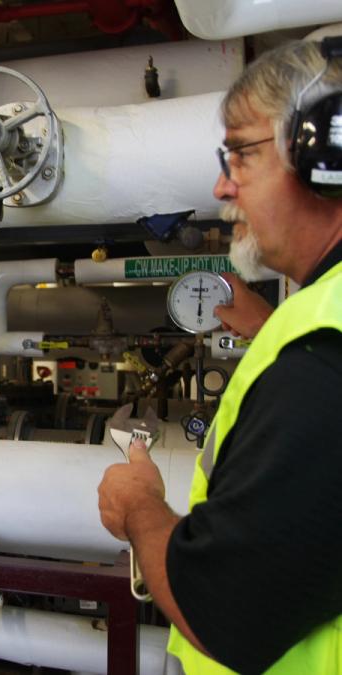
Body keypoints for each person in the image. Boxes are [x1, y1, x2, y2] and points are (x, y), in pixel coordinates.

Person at [98, 39, 342, 674]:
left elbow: (224, 609)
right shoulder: (316, 328)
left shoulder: (324, 355)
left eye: (242, 154)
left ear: (325, 155)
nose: (221, 185)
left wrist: (139, 506)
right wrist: (273, 332)